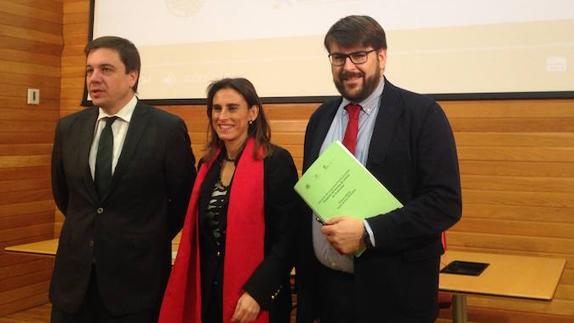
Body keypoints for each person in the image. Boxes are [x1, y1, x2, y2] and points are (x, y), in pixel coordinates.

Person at [295, 15, 462, 323]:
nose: (348, 66)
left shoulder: (422, 115)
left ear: (381, 57)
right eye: (338, 57)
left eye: (359, 55)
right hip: (328, 294)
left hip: (394, 299)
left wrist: (368, 232)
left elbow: (444, 203)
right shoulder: (320, 118)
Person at [50, 36, 196, 322]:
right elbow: (65, 195)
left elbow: (182, 201)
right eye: (89, 70)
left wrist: (141, 236)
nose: (94, 78)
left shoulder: (166, 129)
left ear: (132, 76)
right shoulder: (69, 128)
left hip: (136, 284)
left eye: (106, 69)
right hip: (74, 285)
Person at [159, 78, 299, 323]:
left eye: (232, 108)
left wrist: (257, 293)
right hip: (210, 295)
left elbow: (288, 239)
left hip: (258, 298)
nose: (222, 116)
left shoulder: (275, 162)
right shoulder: (207, 165)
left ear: (253, 113)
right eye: (216, 108)